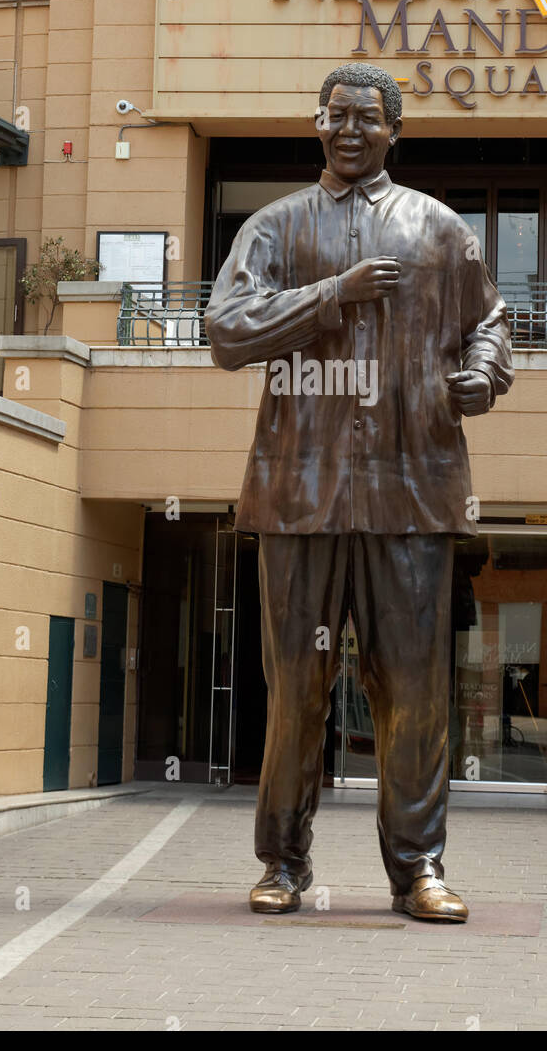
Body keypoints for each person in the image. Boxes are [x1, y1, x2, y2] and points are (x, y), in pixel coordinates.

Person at [205, 62, 513, 922]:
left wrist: (482, 375)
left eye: (366, 118)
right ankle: (284, 862)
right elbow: (226, 331)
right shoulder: (274, 226)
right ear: (317, 123)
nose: (349, 129)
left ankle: (418, 869)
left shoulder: (438, 228)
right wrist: (329, 295)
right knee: (296, 690)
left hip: (411, 491)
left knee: (413, 691)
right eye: (336, 115)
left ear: (393, 131)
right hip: (299, 494)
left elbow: (489, 322)